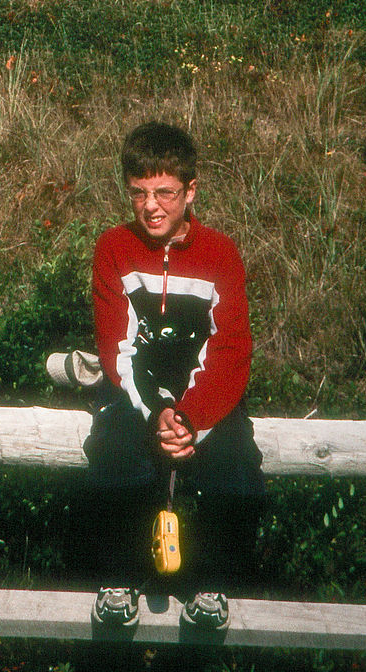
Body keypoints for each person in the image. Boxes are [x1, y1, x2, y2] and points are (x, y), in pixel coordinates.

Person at [81, 122, 264, 633]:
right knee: (114, 447)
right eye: (139, 193)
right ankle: (118, 578)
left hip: (206, 394)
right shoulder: (113, 248)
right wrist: (158, 412)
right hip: (136, 391)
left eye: (164, 192)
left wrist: (193, 419)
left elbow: (231, 348)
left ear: (190, 192)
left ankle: (212, 583)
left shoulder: (221, 253)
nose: (151, 206)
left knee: (235, 462)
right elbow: (118, 346)